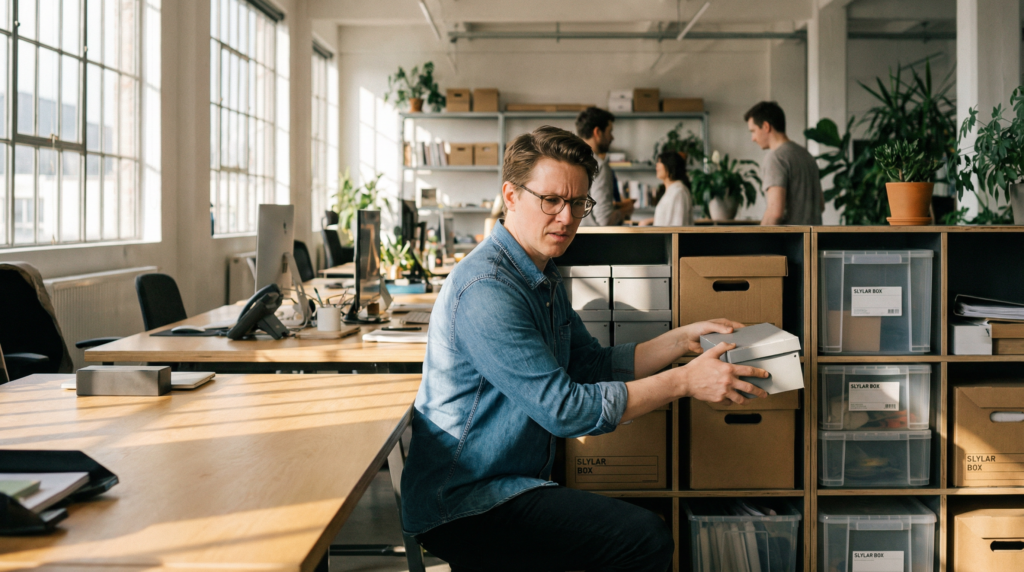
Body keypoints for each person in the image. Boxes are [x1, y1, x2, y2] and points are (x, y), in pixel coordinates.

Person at [401, 125, 769, 572]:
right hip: (466, 500)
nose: (567, 217)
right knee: (643, 538)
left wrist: (680, 341)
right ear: (511, 196)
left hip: (515, 481)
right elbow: (565, 411)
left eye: (578, 203)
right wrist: (685, 381)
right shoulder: (487, 289)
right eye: (551, 200)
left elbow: (591, 363)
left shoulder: (540, 275)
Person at [745, 101, 825, 225]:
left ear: (766, 126)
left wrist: (759, 240)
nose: (753, 138)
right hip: (814, 241)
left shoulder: (776, 158)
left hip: (790, 242)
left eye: (753, 131)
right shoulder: (807, 156)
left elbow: (775, 213)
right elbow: (821, 205)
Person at [576, 106, 634, 226]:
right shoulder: (599, 166)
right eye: (610, 131)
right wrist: (625, 211)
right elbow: (604, 219)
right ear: (597, 132)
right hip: (594, 241)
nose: (612, 137)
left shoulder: (568, 161)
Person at [638, 151, 694, 226]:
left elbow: (677, 225)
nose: (657, 165)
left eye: (660, 162)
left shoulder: (678, 192)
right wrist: (650, 221)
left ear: (670, 165)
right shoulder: (672, 191)